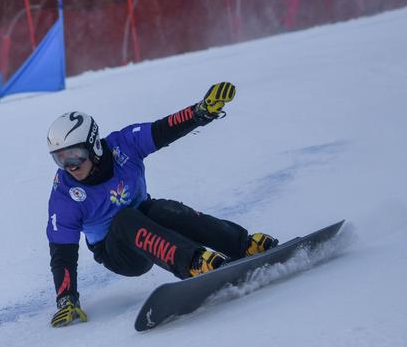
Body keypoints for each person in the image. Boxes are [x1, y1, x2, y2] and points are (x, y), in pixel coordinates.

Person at [45, 82, 278, 327]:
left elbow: (163, 130)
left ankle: (243, 245)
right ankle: (193, 263)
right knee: (124, 218)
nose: (70, 165)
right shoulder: (65, 196)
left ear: (93, 145)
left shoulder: (123, 146)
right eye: (60, 159)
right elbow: (62, 254)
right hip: (118, 253)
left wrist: (200, 112)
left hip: (147, 219)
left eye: (74, 155)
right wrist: (67, 299)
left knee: (164, 209)